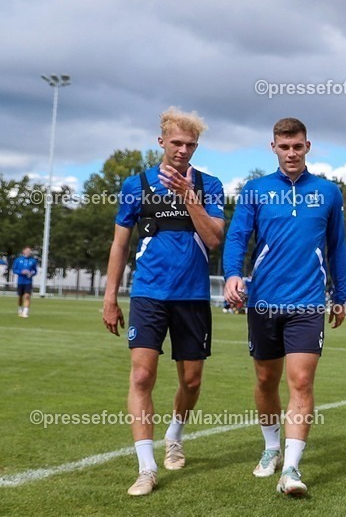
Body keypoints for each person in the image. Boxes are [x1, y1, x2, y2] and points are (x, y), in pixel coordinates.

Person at [101, 108, 225, 496]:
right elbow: (120, 244)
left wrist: (189, 197)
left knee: (191, 380)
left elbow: (214, 238)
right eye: (176, 142)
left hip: (192, 298)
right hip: (148, 295)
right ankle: (146, 467)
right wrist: (110, 297)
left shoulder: (210, 184)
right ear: (161, 142)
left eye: (190, 144)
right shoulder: (135, 184)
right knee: (141, 376)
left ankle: (175, 435)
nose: (183, 150)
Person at [222, 118, 346, 497]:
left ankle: (291, 468)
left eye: (297, 147)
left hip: (307, 302)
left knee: (301, 381)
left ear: (308, 147)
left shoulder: (328, 193)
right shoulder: (256, 190)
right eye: (284, 147)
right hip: (263, 302)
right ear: (273, 147)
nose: (291, 153)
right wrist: (231, 274)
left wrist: (341, 294)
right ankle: (271, 448)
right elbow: (238, 237)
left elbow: (337, 246)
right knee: (265, 380)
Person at [13, 247, 38, 318]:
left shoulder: (33, 261)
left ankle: (25, 312)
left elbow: (35, 271)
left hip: (28, 281)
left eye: (30, 251)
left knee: (27, 296)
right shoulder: (18, 260)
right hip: (20, 281)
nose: (28, 252)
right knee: (20, 296)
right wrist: (21, 272)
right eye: (27, 251)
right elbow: (14, 270)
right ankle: (20, 309)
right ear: (23, 251)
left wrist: (31, 273)